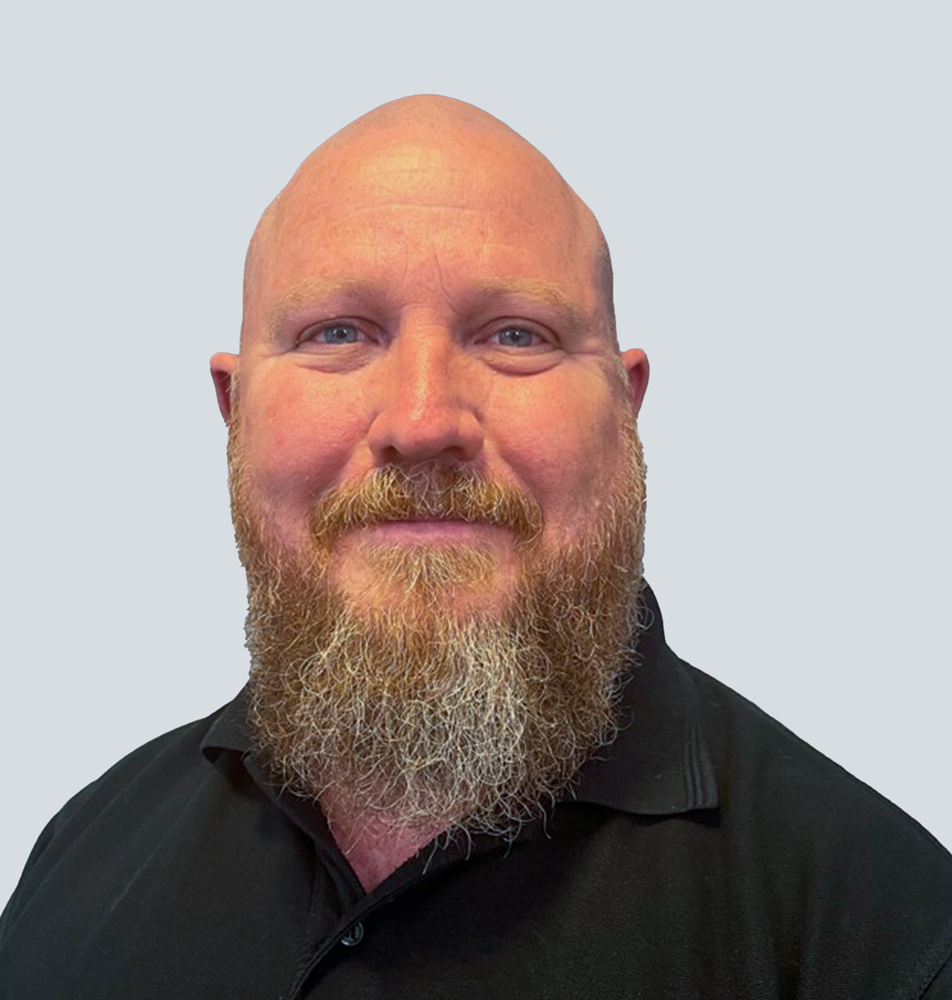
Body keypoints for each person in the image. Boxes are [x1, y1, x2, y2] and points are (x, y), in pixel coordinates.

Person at [1, 95, 950, 999]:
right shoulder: (78, 860)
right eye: (339, 333)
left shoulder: (888, 939)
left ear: (625, 408)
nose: (423, 421)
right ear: (234, 407)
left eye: (514, 335)